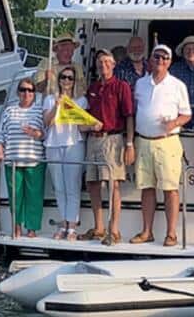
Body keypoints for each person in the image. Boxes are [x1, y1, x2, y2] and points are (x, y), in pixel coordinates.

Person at [130, 44, 192, 247]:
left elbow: (187, 114)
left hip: (168, 142)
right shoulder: (140, 84)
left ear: (170, 62)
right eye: (157, 56)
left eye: (165, 58)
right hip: (143, 141)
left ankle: (171, 233)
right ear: (150, 59)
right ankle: (147, 232)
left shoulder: (178, 85)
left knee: (170, 189)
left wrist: (174, 123)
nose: (160, 60)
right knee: (146, 188)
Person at [79, 49, 133, 246]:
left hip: (113, 139)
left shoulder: (122, 86)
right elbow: (83, 117)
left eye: (107, 62)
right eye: (100, 62)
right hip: (93, 140)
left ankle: (114, 230)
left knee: (113, 184)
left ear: (113, 65)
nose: (104, 66)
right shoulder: (92, 88)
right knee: (93, 184)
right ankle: (99, 227)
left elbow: (129, 116)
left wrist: (129, 144)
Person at [0, 78, 45, 238]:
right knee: (15, 196)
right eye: (23, 90)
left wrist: (35, 133)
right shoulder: (9, 110)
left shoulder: (39, 110)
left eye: (30, 90)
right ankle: (16, 226)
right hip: (13, 160)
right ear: (18, 92)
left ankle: (32, 228)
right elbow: (1, 134)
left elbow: (45, 134)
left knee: (34, 196)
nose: (27, 93)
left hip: (34, 159)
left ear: (34, 93)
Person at [42, 66, 87, 241]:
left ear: (74, 81)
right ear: (58, 79)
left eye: (70, 78)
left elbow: (83, 125)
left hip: (73, 144)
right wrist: (57, 105)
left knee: (72, 186)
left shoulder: (81, 100)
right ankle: (64, 223)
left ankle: (72, 227)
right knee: (59, 187)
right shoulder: (48, 100)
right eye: (63, 77)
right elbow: (47, 122)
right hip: (53, 144)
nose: (66, 81)